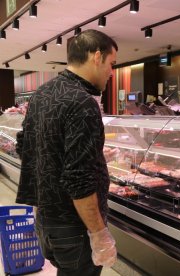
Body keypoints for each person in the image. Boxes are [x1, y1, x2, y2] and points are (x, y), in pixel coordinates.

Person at [15, 29, 118, 275]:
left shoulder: (42, 93)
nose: (112, 73)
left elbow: (26, 147)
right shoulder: (83, 102)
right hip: (75, 228)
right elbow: (78, 180)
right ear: (96, 57)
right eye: (111, 64)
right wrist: (99, 234)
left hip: (45, 222)